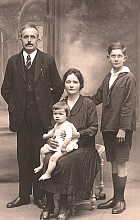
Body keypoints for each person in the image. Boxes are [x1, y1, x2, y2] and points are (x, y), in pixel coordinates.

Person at [1, 23, 64, 209]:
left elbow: (58, 86)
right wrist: (14, 106)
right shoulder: (13, 62)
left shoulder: (47, 60)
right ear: (21, 39)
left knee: (40, 156)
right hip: (21, 118)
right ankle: (23, 195)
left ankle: (39, 195)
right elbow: (5, 89)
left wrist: (47, 105)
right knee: (23, 157)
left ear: (38, 39)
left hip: (41, 118)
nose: (29, 40)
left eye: (33, 37)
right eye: (26, 37)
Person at [39, 68, 100, 220]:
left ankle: (65, 203)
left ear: (81, 85)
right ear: (64, 84)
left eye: (75, 82)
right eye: (68, 82)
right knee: (47, 158)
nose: (71, 85)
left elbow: (93, 128)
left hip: (83, 148)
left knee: (65, 162)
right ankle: (50, 203)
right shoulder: (59, 104)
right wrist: (50, 140)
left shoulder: (88, 104)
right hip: (61, 145)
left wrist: (77, 134)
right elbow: (51, 127)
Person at [92, 42, 136, 214]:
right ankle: (115, 198)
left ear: (125, 58)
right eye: (113, 56)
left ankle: (121, 200)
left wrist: (123, 128)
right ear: (108, 57)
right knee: (113, 163)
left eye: (119, 56)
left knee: (121, 162)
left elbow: (129, 105)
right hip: (108, 127)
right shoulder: (108, 77)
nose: (116, 59)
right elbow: (97, 97)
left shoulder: (129, 78)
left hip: (121, 129)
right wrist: (77, 99)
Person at [34, 101, 78, 180]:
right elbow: (52, 131)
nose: (57, 116)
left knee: (53, 158)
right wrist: (47, 135)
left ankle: (48, 174)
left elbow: (68, 137)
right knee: (42, 150)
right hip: (57, 144)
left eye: (60, 114)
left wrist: (64, 146)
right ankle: (41, 165)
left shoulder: (67, 126)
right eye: (55, 114)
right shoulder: (57, 124)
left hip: (64, 146)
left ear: (67, 115)